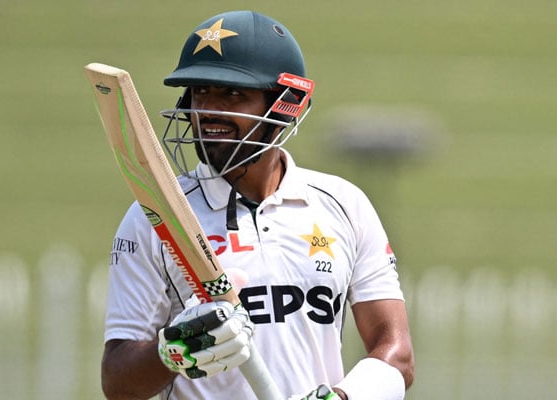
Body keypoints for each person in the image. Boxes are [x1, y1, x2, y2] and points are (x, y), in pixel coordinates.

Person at [101, 10, 414, 400]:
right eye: (200, 91)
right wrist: (175, 350)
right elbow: (117, 383)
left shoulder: (344, 205)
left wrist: (340, 398)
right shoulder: (152, 217)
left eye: (233, 94)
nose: (209, 111)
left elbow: (396, 356)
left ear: (284, 105)